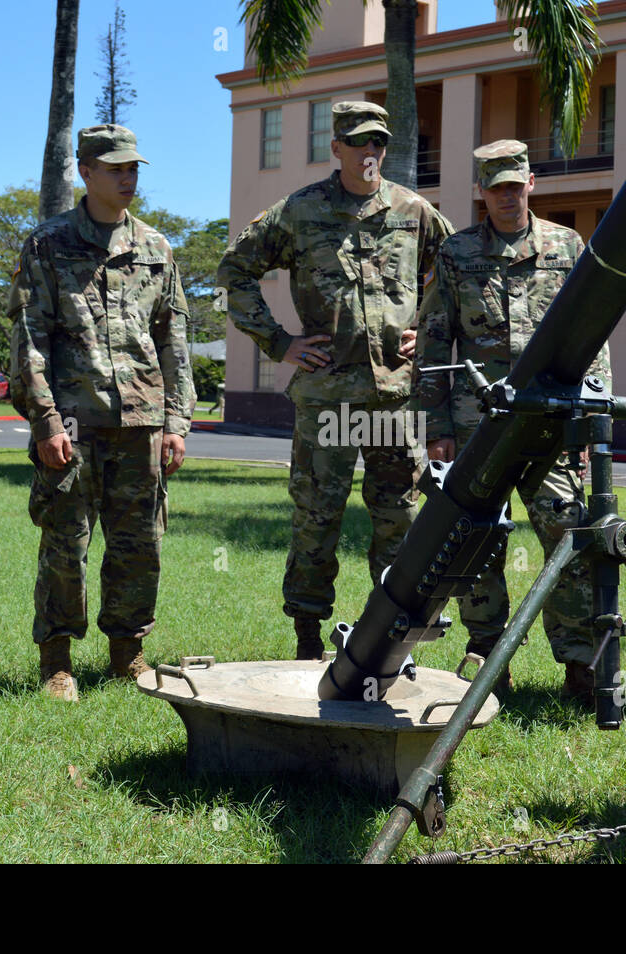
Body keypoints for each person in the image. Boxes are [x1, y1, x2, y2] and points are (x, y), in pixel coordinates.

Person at [218, 101, 453, 659]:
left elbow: (456, 270)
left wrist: (430, 326)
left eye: (378, 143)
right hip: (327, 399)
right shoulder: (300, 212)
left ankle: (390, 639)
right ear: (337, 148)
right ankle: (307, 637)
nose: (369, 153)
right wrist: (281, 344)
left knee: (398, 518)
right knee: (316, 519)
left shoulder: (413, 211)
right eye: (358, 142)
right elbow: (235, 271)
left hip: (395, 397)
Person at [416, 140, 611, 699]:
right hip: (479, 422)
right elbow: (435, 342)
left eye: (514, 184)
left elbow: (591, 334)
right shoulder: (457, 255)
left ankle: (579, 660)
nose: (506, 195)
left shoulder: (567, 246)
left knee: (569, 532)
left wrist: (590, 423)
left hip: (550, 420)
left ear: (531, 183)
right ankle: (485, 649)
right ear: (481, 191)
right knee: (476, 537)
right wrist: (436, 427)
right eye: (494, 186)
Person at [8, 124, 195, 701]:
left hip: (142, 424)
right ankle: (57, 660)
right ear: (85, 171)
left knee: (140, 545)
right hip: (73, 423)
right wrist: (43, 420)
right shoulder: (47, 243)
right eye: (115, 168)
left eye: (133, 168)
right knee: (66, 545)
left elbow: (174, 339)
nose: (127, 177)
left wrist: (177, 422)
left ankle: (128, 653)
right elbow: (29, 336)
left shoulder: (156, 249)